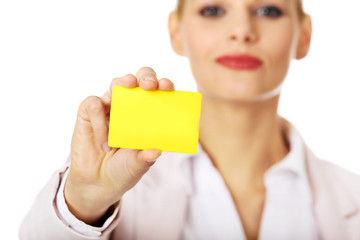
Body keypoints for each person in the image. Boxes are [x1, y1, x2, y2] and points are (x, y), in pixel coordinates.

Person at [20, 0, 360, 239]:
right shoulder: (116, 182)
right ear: (176, 31)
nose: (242, 30)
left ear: (304, 34)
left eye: (268, 10)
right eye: (213, 10)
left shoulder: (352, 198)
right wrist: (85, 201)